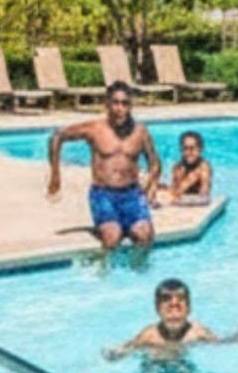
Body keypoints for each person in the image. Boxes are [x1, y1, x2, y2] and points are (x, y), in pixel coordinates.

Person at [47, 82, 163, 251]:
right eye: (115, 103)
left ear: (130, 106)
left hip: (132, 195)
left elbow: (155, 163)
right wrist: (55, 175)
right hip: (103, 195)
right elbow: (57, 136)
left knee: (145, 236)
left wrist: (150, 185)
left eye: (125, 103)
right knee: (112, 237)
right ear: (107, 104)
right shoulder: (94, 129)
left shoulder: (140, 131)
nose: (120, 108)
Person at [104, 278, 238, 359]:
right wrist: (115, 353)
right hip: (156, 362)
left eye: (180, 304)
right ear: (157, 309)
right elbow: (129, 348)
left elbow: (218, 343)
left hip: (181, 360)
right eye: (167, 303)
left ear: (189, 309)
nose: (174, 308)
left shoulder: (197, 332)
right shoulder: (149, 335)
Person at [161, 131, 213, 206]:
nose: (188, 153)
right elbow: (174, 190)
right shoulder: (178, 166)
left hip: (196, 205)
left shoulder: (204, 167)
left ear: (200, 150)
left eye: (192, 149)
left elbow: (204, 194)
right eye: (185, 149)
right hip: (179, 203)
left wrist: (191, 179)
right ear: (181, 150)